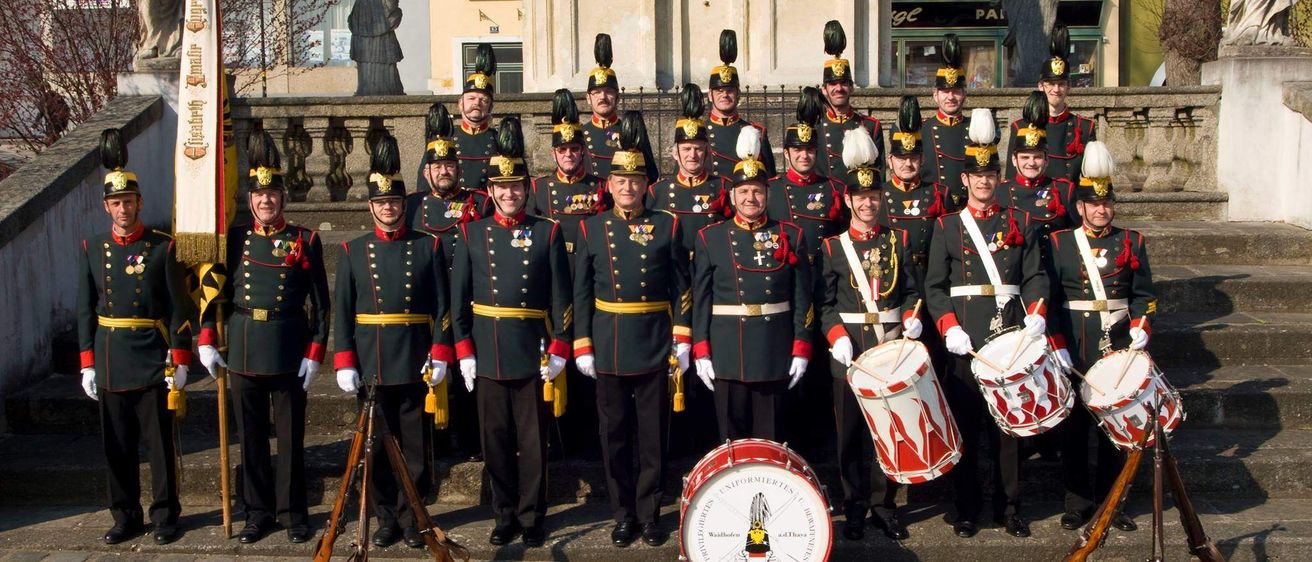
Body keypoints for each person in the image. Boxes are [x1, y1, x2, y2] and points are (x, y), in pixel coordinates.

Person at [196, 131, 329, 544]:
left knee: (290, 439)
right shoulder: (234, 239)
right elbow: (214, 293)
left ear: (282, 198)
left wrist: (315, 352)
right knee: (251, 439)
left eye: (272, 194)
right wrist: (206, 337)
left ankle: (293, 513)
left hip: (288, 347)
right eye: (259, 195)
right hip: (244, 346)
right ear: (250, 199)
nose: (265, 201)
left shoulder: (305, 240)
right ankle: (256, 512)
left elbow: (321, 305)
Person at [925, 109, 1048, 539]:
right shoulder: (946, 226)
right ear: (964, 179)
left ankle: (1009, 507)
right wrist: (948, 327)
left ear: (999, 178)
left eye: (990, 175)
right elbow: (934, 286)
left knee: (1009, 429)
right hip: (965, 339)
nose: (983, 182)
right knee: (965, 425)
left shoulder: (1020, 221)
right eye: (976, 176)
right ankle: (966, 508)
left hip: (1009, 336)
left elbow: (1034, 276)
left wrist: (1037, 313)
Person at [450, 118, 572, 548]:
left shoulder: (547, 231)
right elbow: (458, 299)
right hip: (487, 349)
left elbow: (561, 297)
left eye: (516, 186)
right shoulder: (471, 233)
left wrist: (560, 346)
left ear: (526, 188)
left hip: (532, 350)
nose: (509, 194)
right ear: (490, 190)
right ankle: (503, 514)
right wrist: (464, 349)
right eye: (501, 187)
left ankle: (532, 514)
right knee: (495, 440)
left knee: (533, 441)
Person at [573, 111, 690, 548]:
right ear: (609, 185)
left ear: (646, 185)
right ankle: (623, 514)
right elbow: (582, 292)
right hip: (609, 343)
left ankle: (651, 513)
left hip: (655, 342)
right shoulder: (591, 228)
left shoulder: (668, 224)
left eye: (635, 180)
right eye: (621, 180)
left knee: (653, 438)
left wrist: (681, 338)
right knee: (615, 436)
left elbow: (682, 288)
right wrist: (583, 343)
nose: (628, 187)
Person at [332, 135, 452, 549]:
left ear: (404, 205)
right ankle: (384, 516)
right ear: (371, 207)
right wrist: (344, 360)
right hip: (372, 359)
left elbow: (442, 306)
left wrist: (440, 351)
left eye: (394, 202)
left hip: (414, 356)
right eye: (381, 202)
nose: (388, 208)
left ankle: (413, 515)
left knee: (415, 446)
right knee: (376, 448)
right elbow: (342, 311)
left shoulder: (427, 245)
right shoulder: (352, 251)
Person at [77, 128, 194, 545]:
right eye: (116, 203)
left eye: (129, 201)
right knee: (117, 446)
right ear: (106, 206)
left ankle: (165, 514)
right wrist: (87, 362)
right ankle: (125, 514)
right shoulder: (93, 247)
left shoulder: (162, 247)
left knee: (160, 445)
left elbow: (180, 308)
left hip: (152, 357)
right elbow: (83, 308)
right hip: (110, 355)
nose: (123, 209)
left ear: (140, 203)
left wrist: (181, 357)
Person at [818, 125, 921, 542]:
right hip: (851, 349)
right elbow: (824, 303)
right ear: (848, 200)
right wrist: (836, 336)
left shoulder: (898, 240)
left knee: (889, 430)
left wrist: (912, 317)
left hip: (890, 347)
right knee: (850, 435)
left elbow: (911, 291)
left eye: (874, 196)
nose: (868, 203)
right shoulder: (833, 247)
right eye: (860, 197)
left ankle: (884, 505)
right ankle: (854, 505)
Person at [1045, 141, 1155, 533]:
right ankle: (1076, 503)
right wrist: (1057, 344)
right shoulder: (1060, 243)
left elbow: (1144, 296)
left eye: (1106, 203)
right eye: (1093, 204)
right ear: (1080, 207)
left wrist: (1142, 326)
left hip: (1118, 346)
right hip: (1076, 346)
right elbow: (1050, 301)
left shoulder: (1133, 241)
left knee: (1116, 430)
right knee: (1074, 430)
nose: (1101, 210)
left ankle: (1114, 502)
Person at [692, 125, 813, 441]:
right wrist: (701, 349)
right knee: (731, 440)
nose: (750, 198)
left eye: (757, 191)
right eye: (743, 191)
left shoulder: (791, 235)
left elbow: (802, 298)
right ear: (732, 196)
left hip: (774, 349)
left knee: (771, 439)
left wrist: (801, 346)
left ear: (768, 195)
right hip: (726, 349)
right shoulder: (710, 238)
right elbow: (701, 299)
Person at [645, 83, 729, 457]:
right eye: (686, 148)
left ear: (707, 151)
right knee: (675, 362)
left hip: (712, 285)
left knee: (710, 359)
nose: (692, 154)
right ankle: (677, 443)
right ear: (674, 152)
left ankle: (709, 441)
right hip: (673, 285)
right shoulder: (658, 192)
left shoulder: (722, 188)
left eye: (698, 148)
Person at [406, 102, 491, 462]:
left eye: (450, 165)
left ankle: (472, 442)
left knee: (469, 372)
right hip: (430, 300)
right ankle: (437, 443)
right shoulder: (412, 206)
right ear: (426, 172)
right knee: (432, 372)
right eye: (437, 166)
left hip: (468, 298)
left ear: (459, 169)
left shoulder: (480, 203)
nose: (444, 171)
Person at [528, 88, 608, 460]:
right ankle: (558, 444)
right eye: (563, 150)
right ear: (554, 154)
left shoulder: (600, 188)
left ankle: (590, 444)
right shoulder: (539, 189)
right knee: (554, 362)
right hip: (554, 286)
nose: (569, 155)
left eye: (575, 149)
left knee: (588, 363)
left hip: (590, 284)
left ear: (584, 152)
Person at [880, 95, 955, 377]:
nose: (907, 164)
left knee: (934, 355)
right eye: (901, 158)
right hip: (893, 283)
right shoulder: (879, 195)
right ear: (890, 160)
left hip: (929, 280)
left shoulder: (939, 194)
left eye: (913, 158)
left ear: (922, 159)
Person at [1003, 27, 1096, 184]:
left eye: (1061, 84)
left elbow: (1092, 178)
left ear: (1069, 87)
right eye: (1051, 84)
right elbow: (1012, 181)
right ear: (1041, 86)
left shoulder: (1085, 127)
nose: (1056, 89)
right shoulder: (1021, 127)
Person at [998, 91, 1080, 243]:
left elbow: (1078, 236)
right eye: (1025, 157)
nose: (1031, 163)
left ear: (1046, 160)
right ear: (1014, 160)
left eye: (1037, 157)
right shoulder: (999, 192)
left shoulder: (1064, 191)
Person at [581, 33, 659, 182]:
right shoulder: (580, 134)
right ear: (588, 98)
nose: (602, 97)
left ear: (617, 97)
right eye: (596, 92)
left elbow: (649, 176)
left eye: (608, 92)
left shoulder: (630, 131)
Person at [815, 20, 884, 181]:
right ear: (824, 89)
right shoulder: (815, 126)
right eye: (832, 84)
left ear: (851, 87)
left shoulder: (870, 125)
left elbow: (879, 174)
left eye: (844, 83)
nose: (839, 88)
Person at [705, 29, 776, 179]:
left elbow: (769, 179)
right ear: (710, 95)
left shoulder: (756, 132)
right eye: (719, 91)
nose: (724, 95)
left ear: (738, 94)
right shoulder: (701, 132)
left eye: (730, 90)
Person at [921, 34, 972, 207]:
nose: (950, 97)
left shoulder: (976, 128)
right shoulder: (922, 129)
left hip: (968, 208)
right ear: (935, 95)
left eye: (956, 91)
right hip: (934, 207)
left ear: (964, 94)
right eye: (945, 91)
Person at [455, 44, 498, 191]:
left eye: (483, 100)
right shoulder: (446, 139)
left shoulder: (499, 141)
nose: (477, 103)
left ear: (490, 107)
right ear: (460, 103)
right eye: (471, 98)